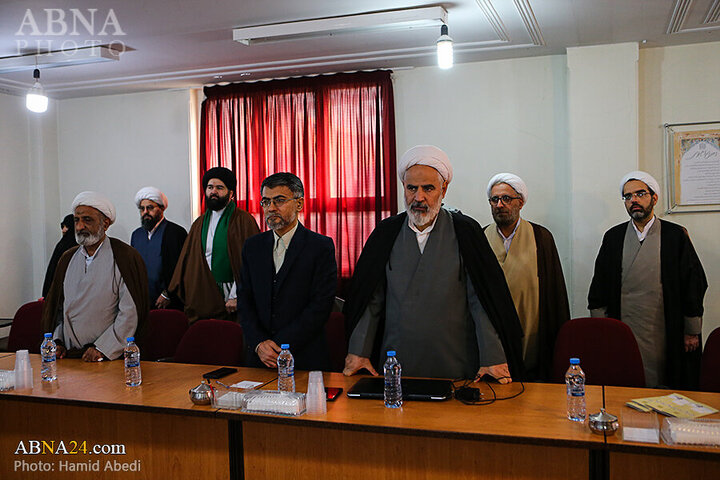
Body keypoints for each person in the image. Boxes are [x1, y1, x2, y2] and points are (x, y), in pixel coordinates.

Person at [343, 146, 524, 381]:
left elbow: (481, 301)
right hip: (396, 364)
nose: (419, 198)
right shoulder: (386, 233)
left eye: (428, 188)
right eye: (412, 188)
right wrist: (358, 351)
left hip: (456, 363)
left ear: (443, 189)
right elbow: (370, 300)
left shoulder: (465, 231)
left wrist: (493, 357)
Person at [588, 171, 707, 389]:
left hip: (665, 325)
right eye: (627, 196)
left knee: (668, 384)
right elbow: (599, 288)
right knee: (626, 379)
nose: (633, 200)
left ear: (654, 198)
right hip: (623, 323)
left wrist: (691, 329)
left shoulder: (675, 235)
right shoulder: (613, 237)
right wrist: (602, 327)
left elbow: (694, 282)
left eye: (640, 194)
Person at [238, 173, 337, 371]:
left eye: (279, 200)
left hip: (303, 356)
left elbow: (320, 306)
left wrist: (280, 347)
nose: (271, 208)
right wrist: (259, 343)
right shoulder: (252, 246)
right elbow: (244, 300)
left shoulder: (320, 247)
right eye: (266, 202)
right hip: (260, 358)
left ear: (299, 204)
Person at [41, 192, 149, 362]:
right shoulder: (67, 258)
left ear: (105, 224)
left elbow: (129, 313)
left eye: (87, 220)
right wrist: (58, 341)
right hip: (70, 358)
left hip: (107, 357)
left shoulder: (124, 257)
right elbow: (59, 309)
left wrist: (103, 348)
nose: (79, 226)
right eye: (77, 220)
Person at [484, 173, 570, 381]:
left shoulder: (540, 237)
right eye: (494, 200)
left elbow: (555, 292)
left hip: (532, 333)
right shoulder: (480, 237)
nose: (500, 205)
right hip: (492, 337)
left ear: (520, 202)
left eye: (506, 199)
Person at [168, 167, 260, 323]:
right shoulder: (199, 223)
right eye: (210, 187)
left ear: (231, 194)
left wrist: (236, 295)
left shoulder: (244, 221)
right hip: (202, 293)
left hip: (230, 295)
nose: (213, 192)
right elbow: (188, 261)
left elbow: (252, 262)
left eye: (219, 188)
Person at [130, 187, 188, 310]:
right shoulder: (136, 235)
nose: (145, 212)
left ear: (161, 208)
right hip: (143, 300)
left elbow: (183, 267)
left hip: (168, 301)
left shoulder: (176, 232)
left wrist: (168, 293)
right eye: (142, 208)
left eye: (150, 208)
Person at [41, 214, 76, 297]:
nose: (63, 230)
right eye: (62, 226)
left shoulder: (78, 247)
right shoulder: (62, 244)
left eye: (67, 227)